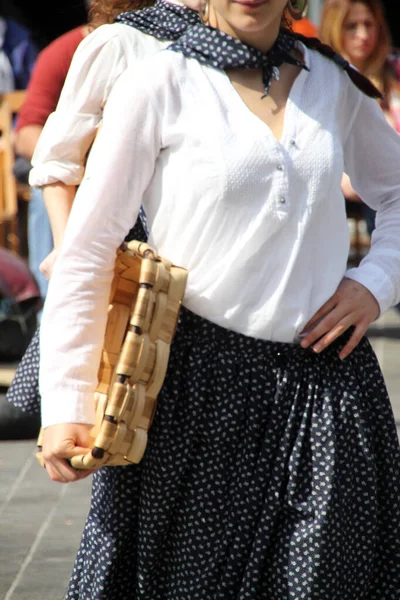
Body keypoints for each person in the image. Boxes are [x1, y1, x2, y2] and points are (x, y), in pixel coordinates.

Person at [37, 0, 400, 597]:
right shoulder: (159, 81)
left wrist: (373, 284)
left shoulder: (330, 81)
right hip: (196, 396)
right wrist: (67, 406)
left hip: (328, 390)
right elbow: (88, 249)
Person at [14, 24, 90, 301]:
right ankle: (49, 305)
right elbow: (25, 133)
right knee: (48, 183)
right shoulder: (63, 51)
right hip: (75, 167)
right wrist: (74, 163)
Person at [320, 0, 400, 236]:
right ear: (335, 28)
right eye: (351, 26)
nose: (363, 35)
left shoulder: (394, 71)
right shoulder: (319, 75)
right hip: (339, 185)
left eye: (369, 24)